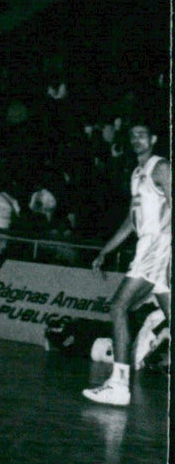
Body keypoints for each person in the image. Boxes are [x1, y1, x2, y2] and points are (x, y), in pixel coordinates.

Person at [83, 120, 171, 407]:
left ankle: (119, 385)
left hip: (158, 247)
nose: (136, 139)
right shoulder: (136, 174)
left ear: (154, 138)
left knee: (118, 306)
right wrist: (105, 251)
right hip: (147, 245)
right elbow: (131, 223)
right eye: (132, 135)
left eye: (142, 134)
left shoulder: (160, 167)